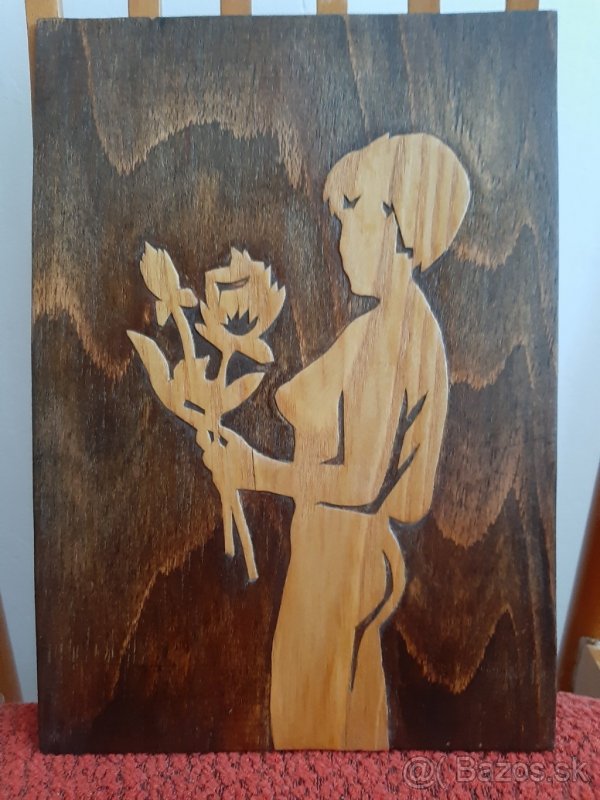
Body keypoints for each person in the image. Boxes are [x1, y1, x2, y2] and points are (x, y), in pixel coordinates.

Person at [203, 133, 470, 749]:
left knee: (310, 733)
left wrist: (255, 471)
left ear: (400, 224)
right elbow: (409, 497)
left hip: (335, 570)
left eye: (353, 212)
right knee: (349, 731)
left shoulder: (393, 339)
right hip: (346, 563)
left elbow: (363, 482)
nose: (340, 233)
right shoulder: (393, 328)